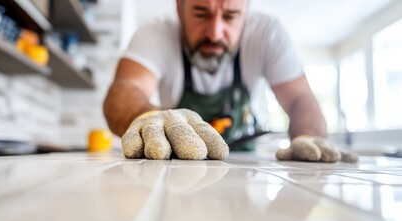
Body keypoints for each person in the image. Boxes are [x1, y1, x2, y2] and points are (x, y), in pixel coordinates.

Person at [103, 0, 326, 155]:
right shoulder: (156, 34)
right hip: (181, 173)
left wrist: (308, 137)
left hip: (246, 170)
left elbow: (300, 99)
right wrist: (149, 117)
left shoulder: (268, 34)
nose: (215, 33)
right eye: (201, 14)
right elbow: (125, 90)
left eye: (230, 16)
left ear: (246, 11)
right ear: (179, 7)